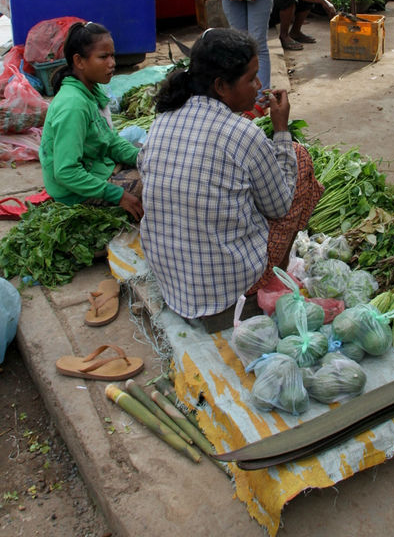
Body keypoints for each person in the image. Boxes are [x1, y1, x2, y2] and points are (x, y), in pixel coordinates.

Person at [139, 29, 323, 330]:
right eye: (251, 78)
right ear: (221, 86)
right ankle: (264, 287)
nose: (259, 85)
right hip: (225, 296)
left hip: (174, 286)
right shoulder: (242, 133)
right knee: (298, 157)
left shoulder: (163, 119)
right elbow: (279, 208)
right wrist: (280, 130)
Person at [39, 21, 143, 221]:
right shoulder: (73, 105)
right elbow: (66, 172)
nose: (112, 63)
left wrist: (143, 157)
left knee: (148, 152)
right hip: (75, 193)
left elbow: (111, 141)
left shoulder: (91, 91)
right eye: (103, 57)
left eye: (112, 55)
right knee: (158, 183)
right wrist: (118, 195)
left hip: (97, 168)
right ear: (79, 61)